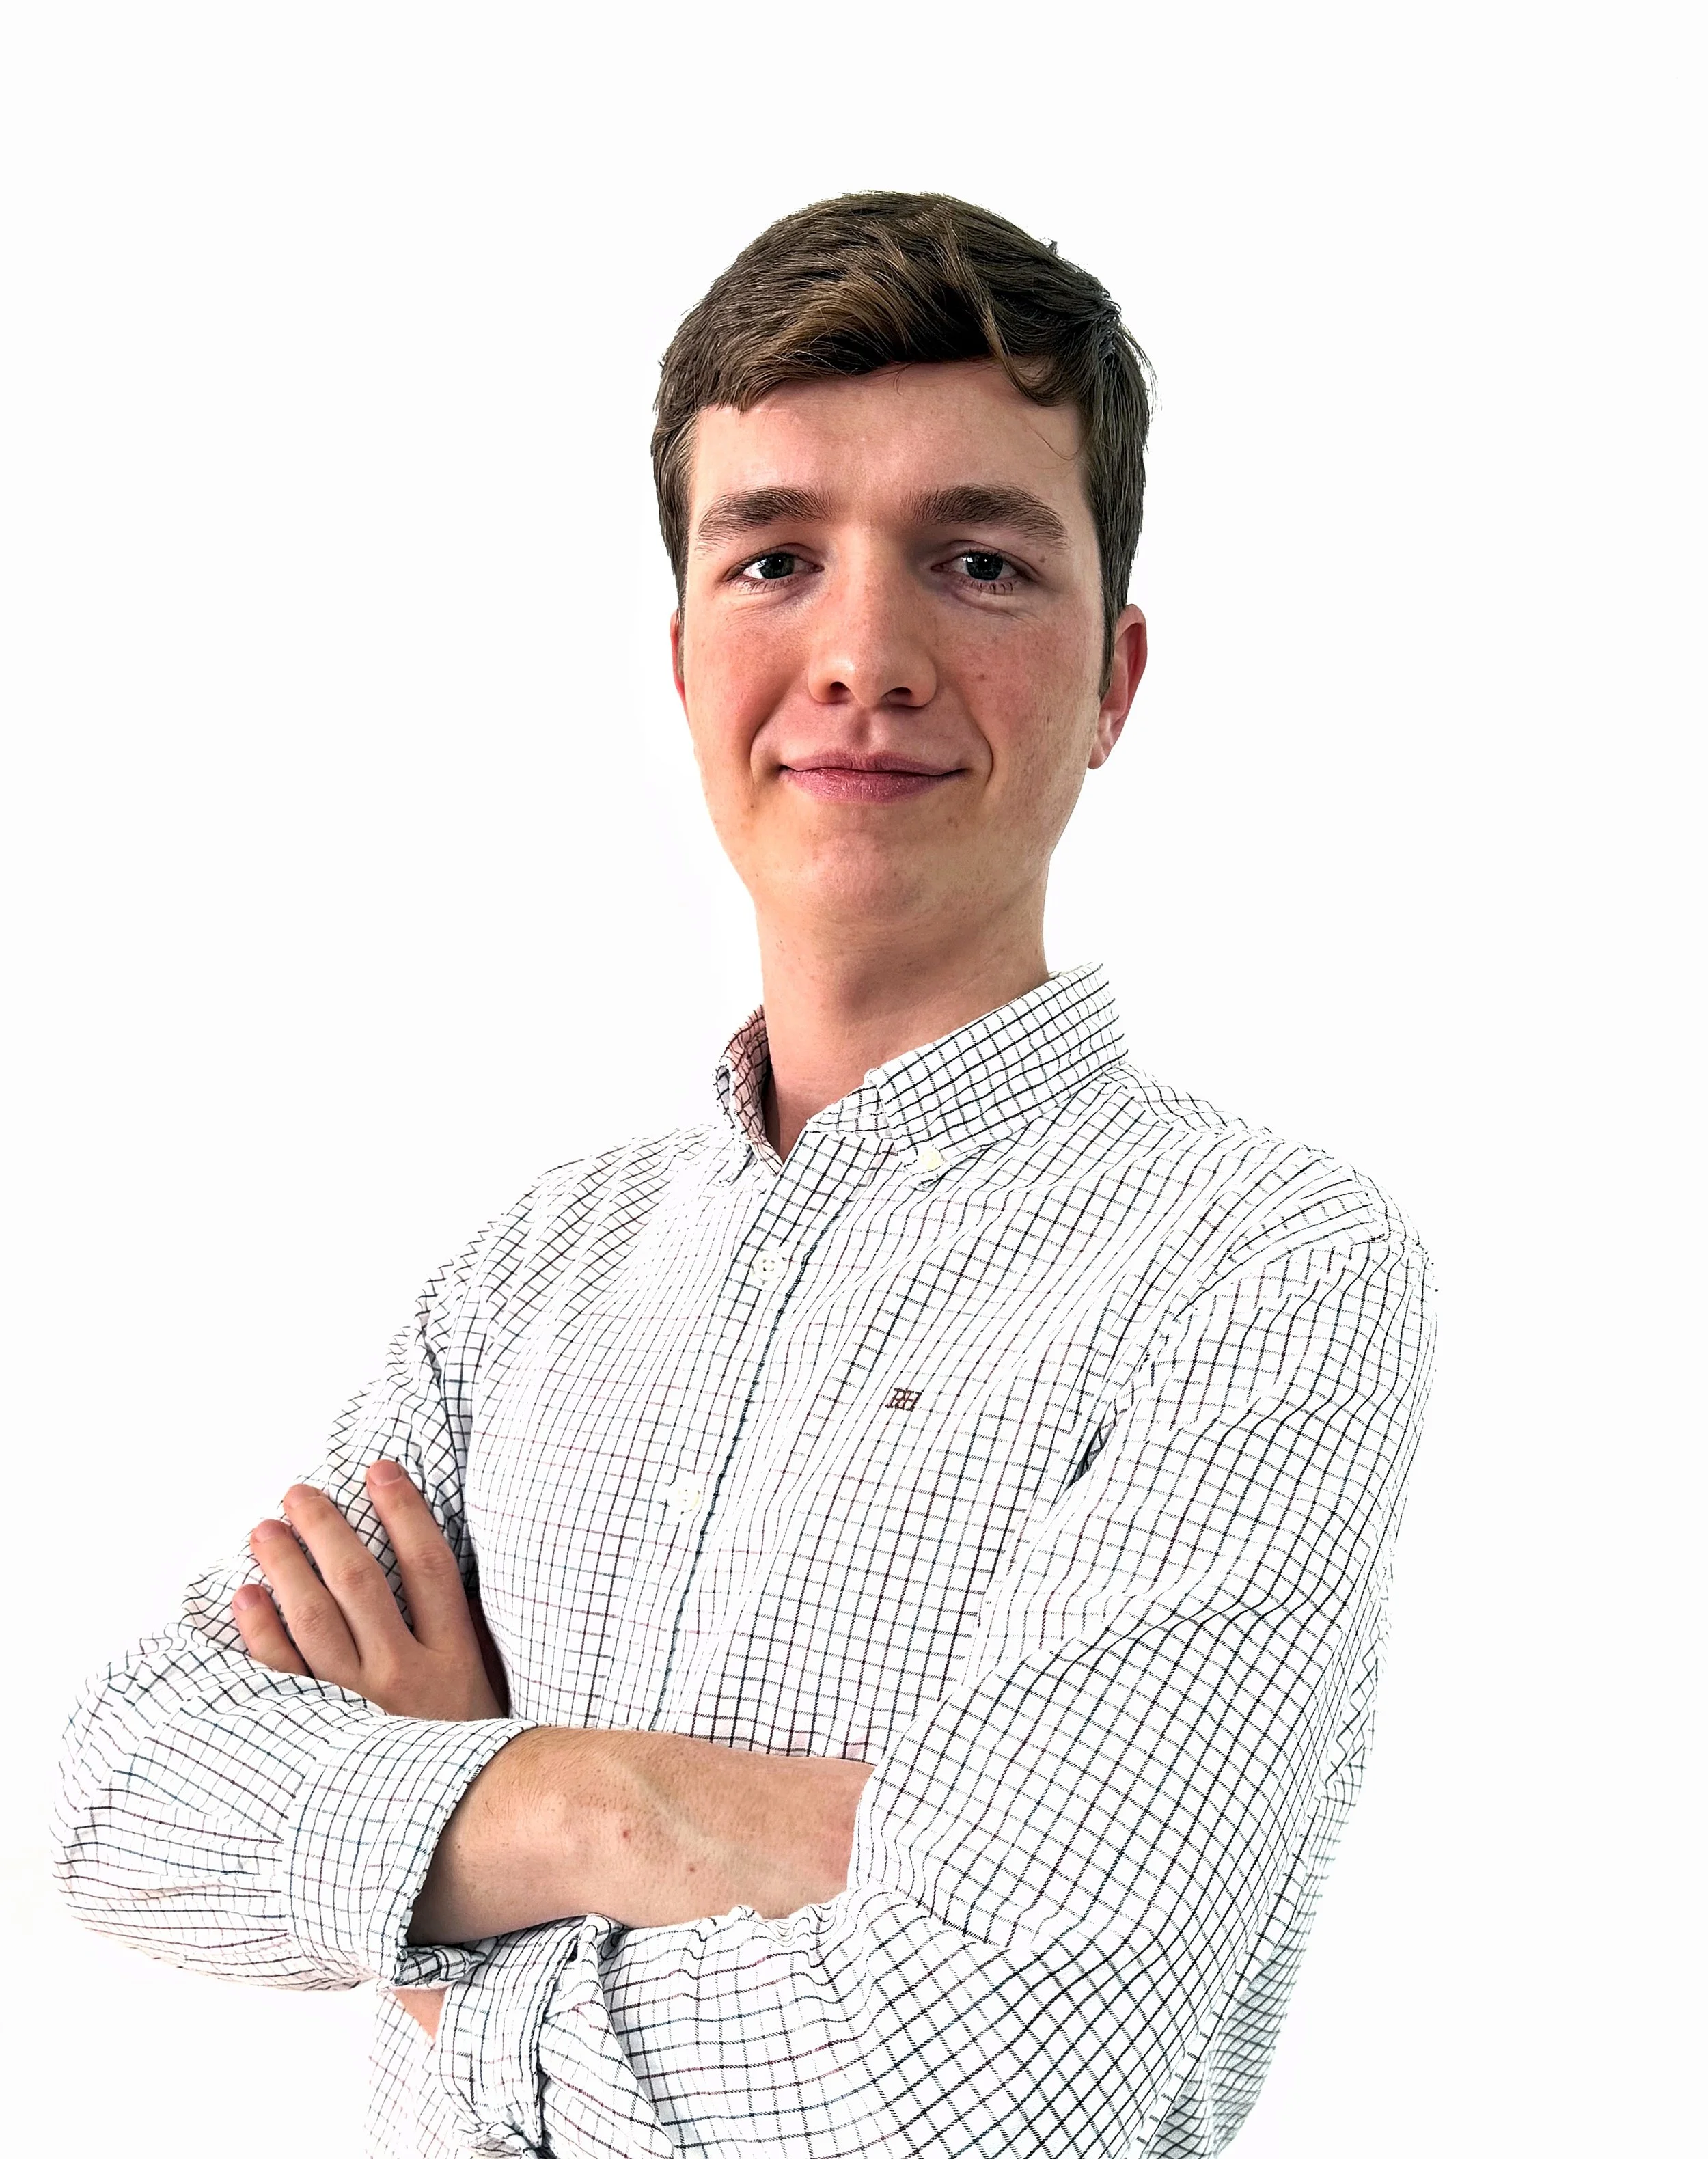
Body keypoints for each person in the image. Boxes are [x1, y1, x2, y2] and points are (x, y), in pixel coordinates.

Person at [54, 191, 1436, 2158]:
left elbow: (966, 2091)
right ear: (685, 653)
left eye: (975, 561)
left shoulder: (1257, 1274)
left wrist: (436, 1905)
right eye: (775, 555)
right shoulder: (531, 1272)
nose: (862, 652)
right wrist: (591, 1801)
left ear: (1115, 679)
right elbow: (127, 1799)